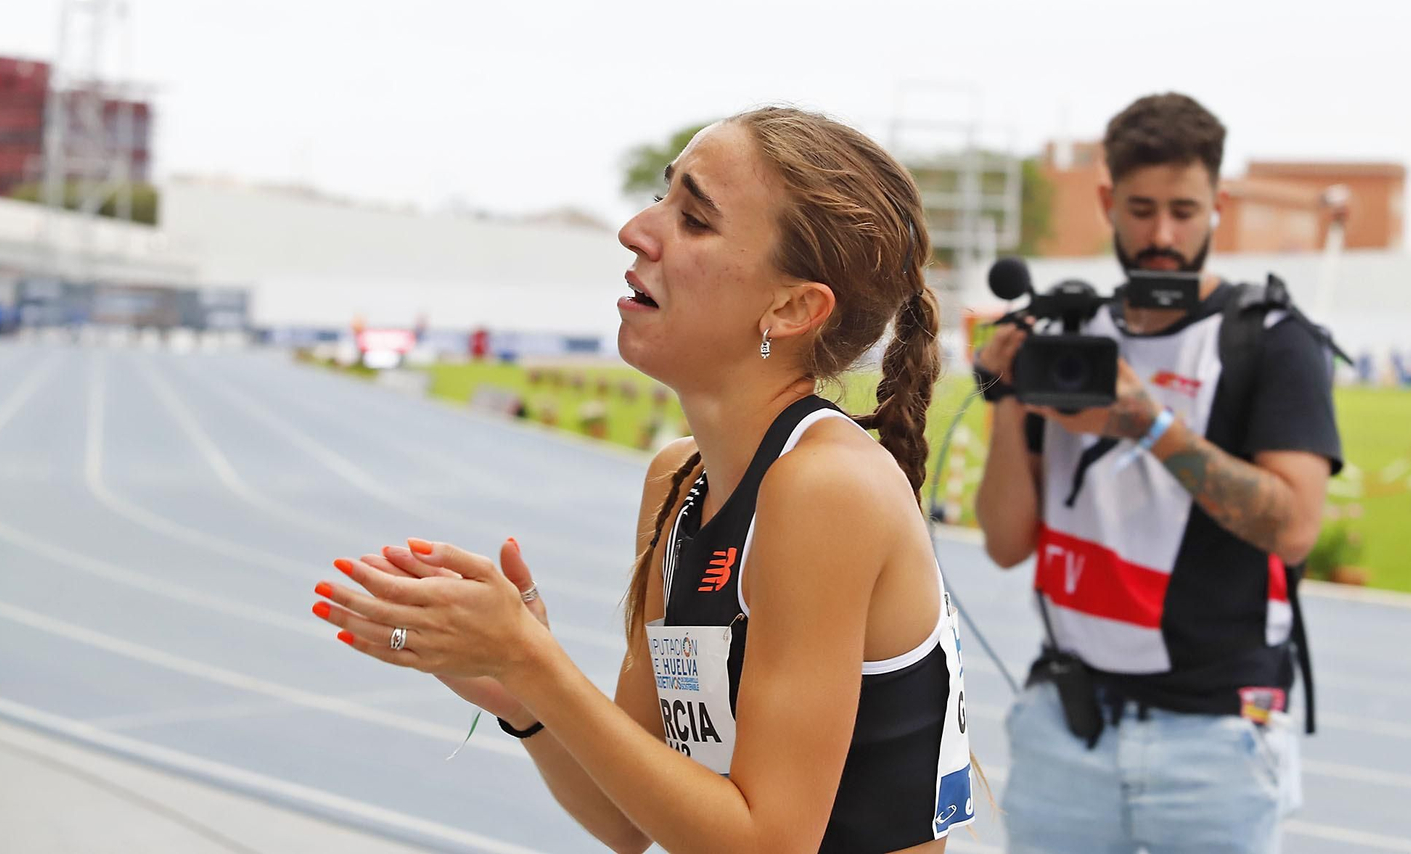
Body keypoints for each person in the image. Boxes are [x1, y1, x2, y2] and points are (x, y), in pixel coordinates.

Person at [311, 107, 976, 854]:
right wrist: (520, 694)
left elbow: (768, 844)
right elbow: (624, 821)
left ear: (792, 307)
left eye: (694, 219)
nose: (636, 230)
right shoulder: (679, 480)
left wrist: (533, 660)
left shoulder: (826, 488)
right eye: (663, 196)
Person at [973, 93, 1341, 854]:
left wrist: (1148, 424)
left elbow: (1296, 528)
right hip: (1067, 723)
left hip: (1217, 735)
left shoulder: (1271, 339)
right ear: (1107, 202)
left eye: (1184, 210)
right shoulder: (1067, 335)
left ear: (1218, 207)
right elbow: (1007, 544)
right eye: (1141, 210)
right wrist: (1005, 398)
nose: (1162, 235)